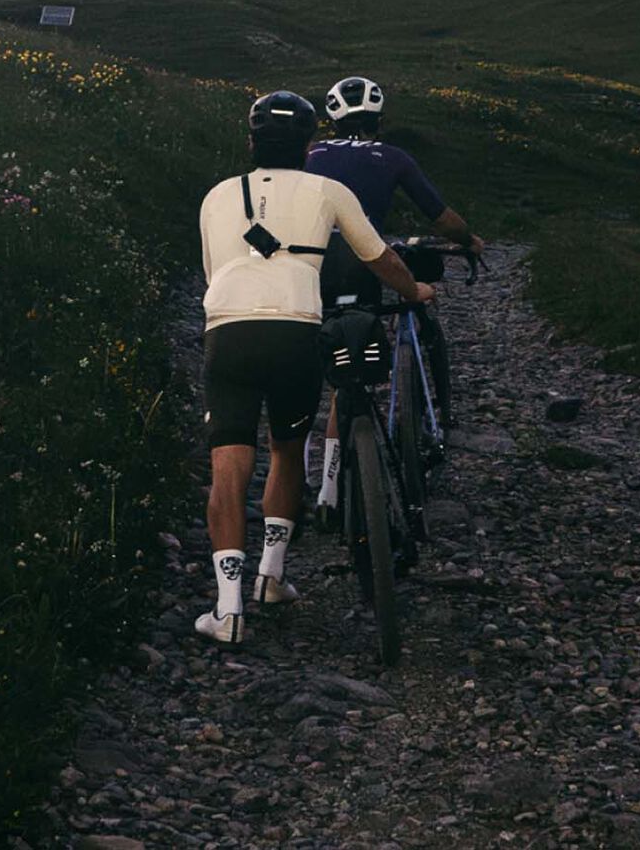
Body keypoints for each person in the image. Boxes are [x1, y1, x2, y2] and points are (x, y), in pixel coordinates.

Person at [192, 90, 433, 644]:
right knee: (285, 450)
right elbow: (380, 257)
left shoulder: (217, 196)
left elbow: (212, 272)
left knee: (228, 466)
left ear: (251, 142)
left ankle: (228, 611)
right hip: (296, 329)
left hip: (228, 330)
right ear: (307, 146)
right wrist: (414, 291)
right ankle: (271, 577)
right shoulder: (329, 190)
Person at [305, 76, 482, 527]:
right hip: (363, 262)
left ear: (331, 120)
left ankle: (316, 484)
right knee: (352, 366)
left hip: (311, 265)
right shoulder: (393, 157)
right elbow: (441, 218)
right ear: (379, 120)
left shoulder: (310, 154)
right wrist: (469, 240)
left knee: (319, 364)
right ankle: (341, 482)